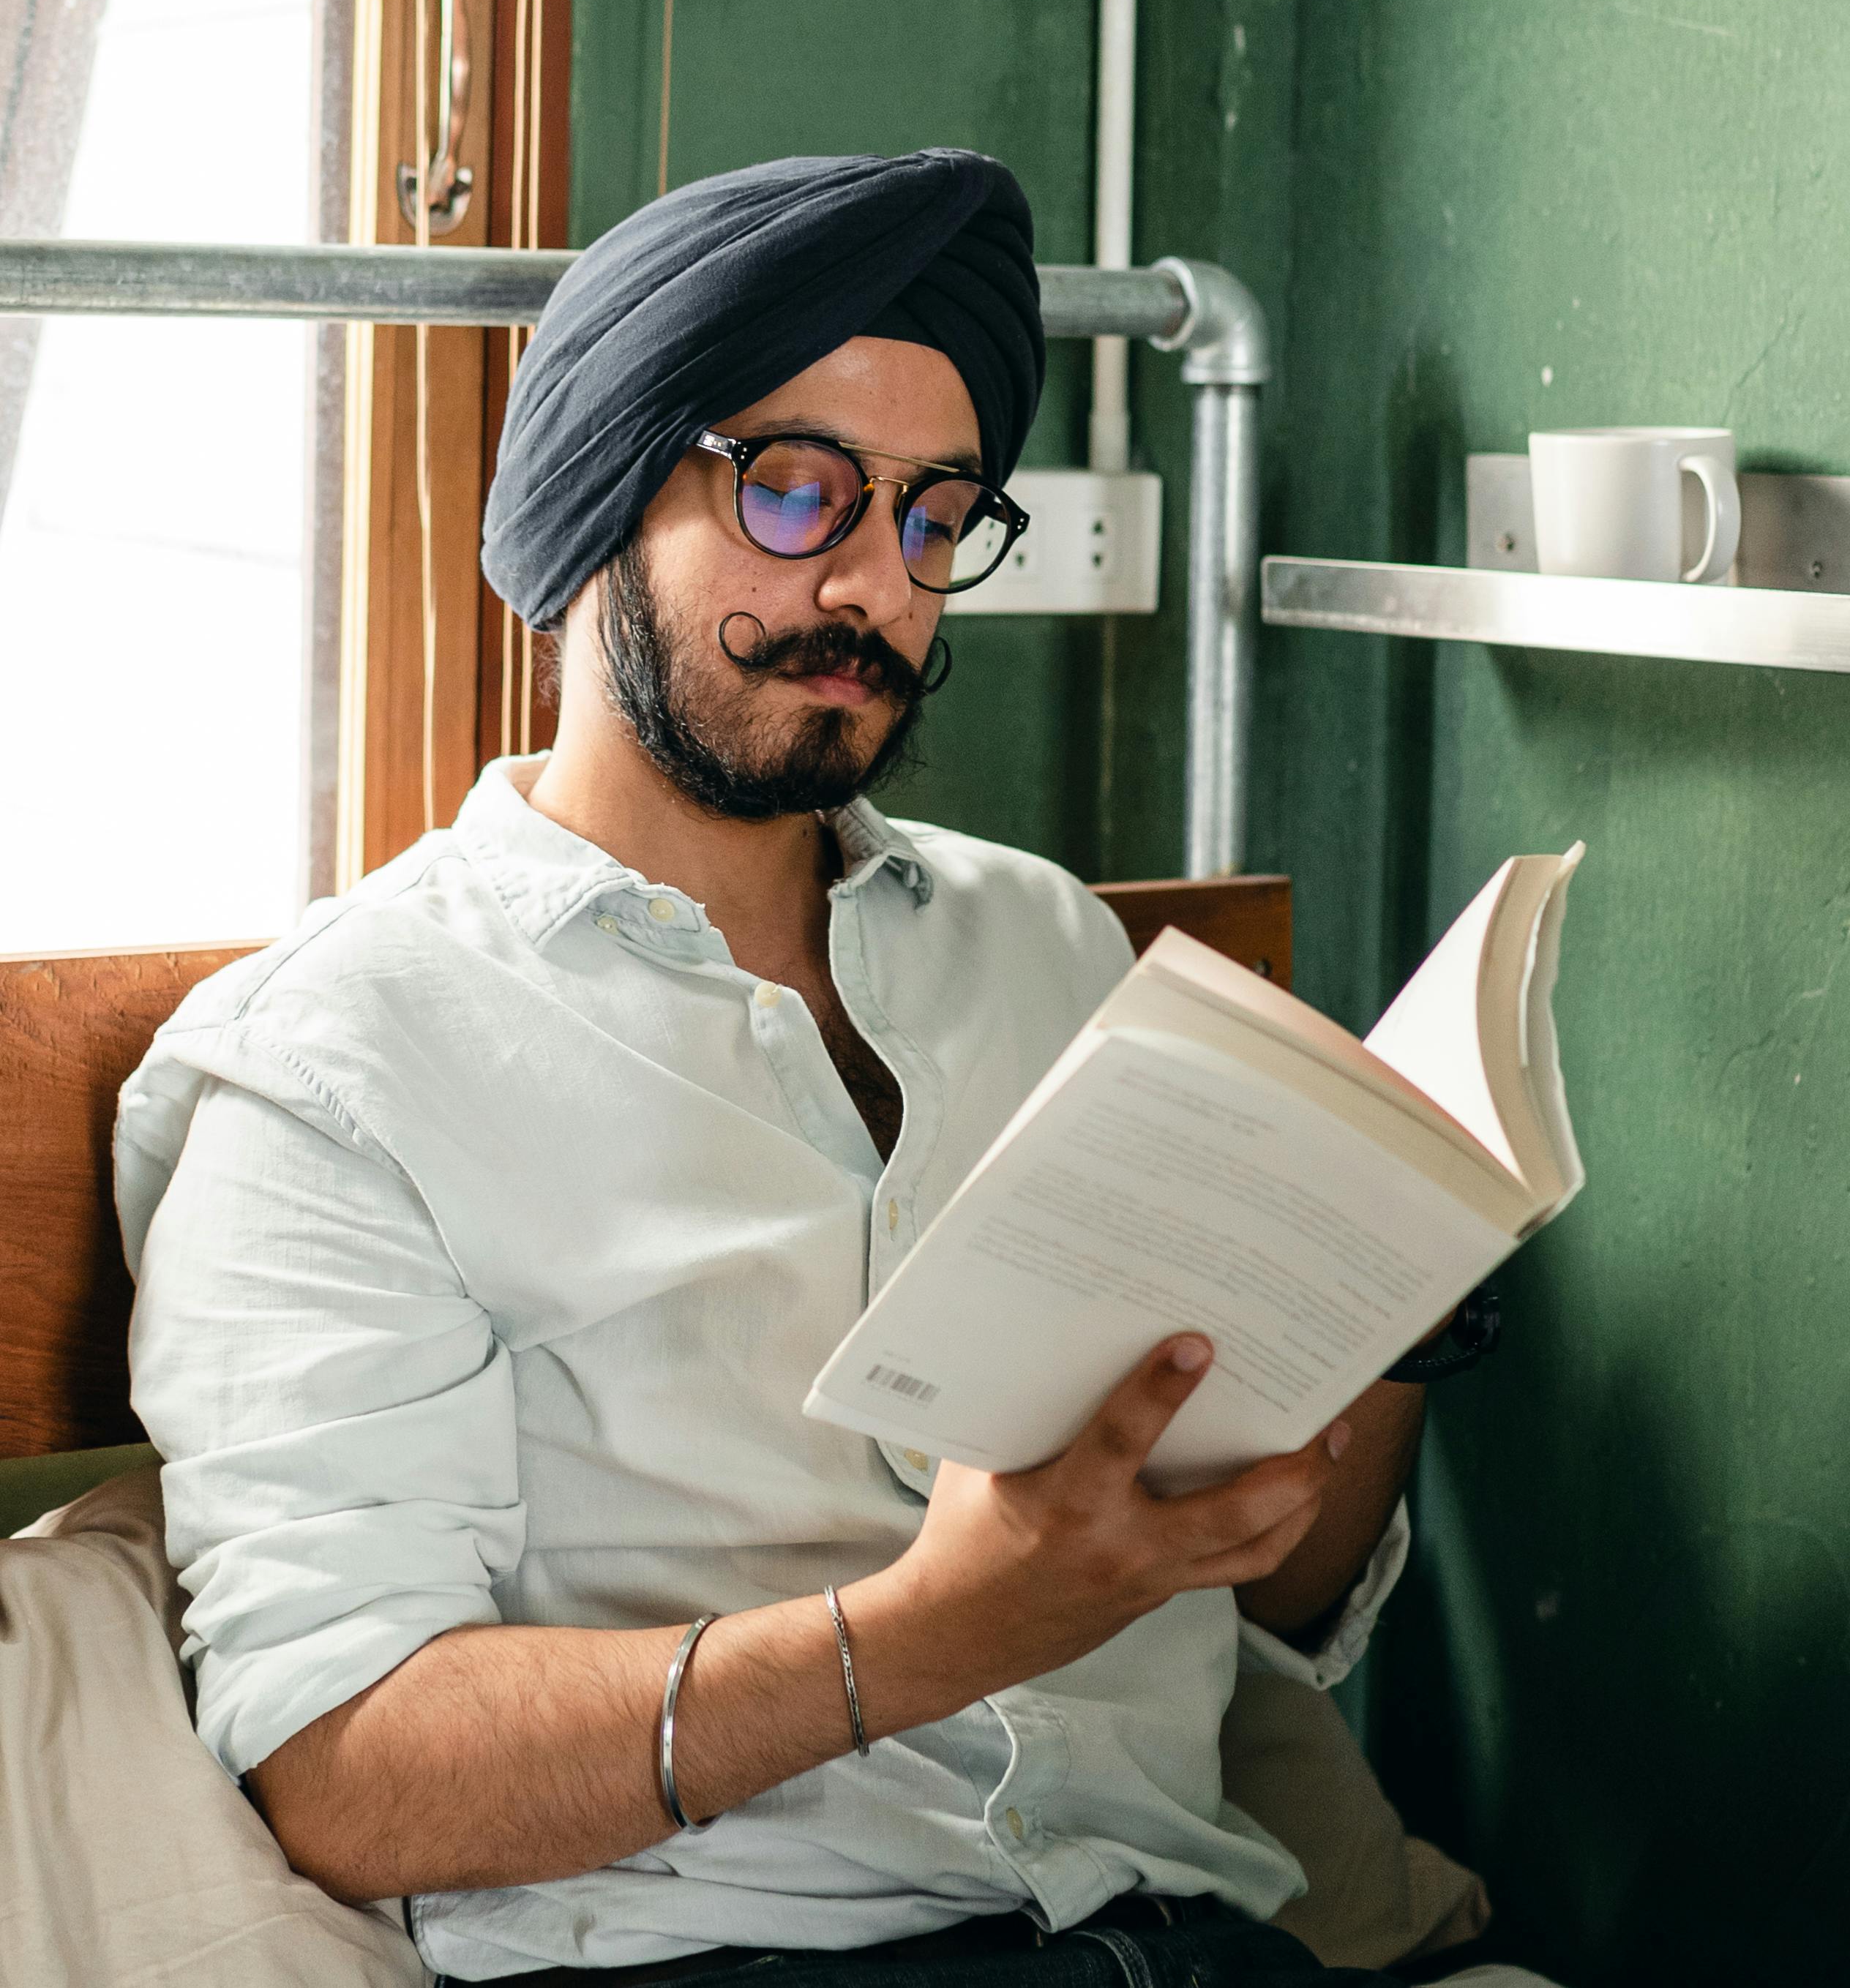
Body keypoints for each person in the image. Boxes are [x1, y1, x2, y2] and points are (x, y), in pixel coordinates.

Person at [115, 151, 1507, 1987]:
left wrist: (1406, 1289)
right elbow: (351, 1771)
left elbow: (1284, 1585)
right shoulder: (336, 1063)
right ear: (604, 493)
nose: (876, 582)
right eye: (797, 489)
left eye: (936, 518)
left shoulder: (1055, 951)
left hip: (1206, 1944)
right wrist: (922, 1636)